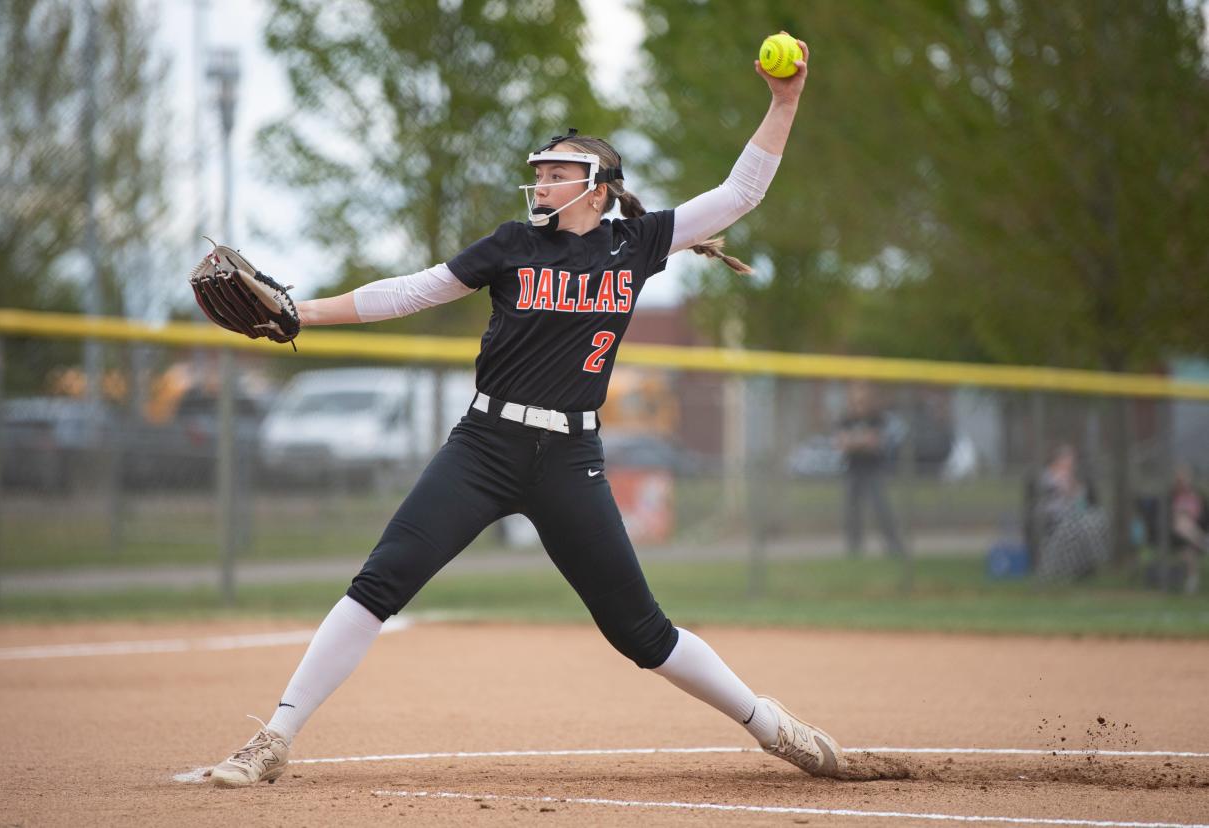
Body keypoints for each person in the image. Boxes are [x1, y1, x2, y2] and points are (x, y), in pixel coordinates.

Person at [210, 38, 844, 787]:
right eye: (539, 173)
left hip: (570, 463)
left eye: (559, 174)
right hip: (483, 447)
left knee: (641, 633)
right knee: (380, 583)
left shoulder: (636, 244)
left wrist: (785, 101)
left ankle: (771, 726)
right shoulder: (511, 246)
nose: (541, 183)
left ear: (599, 187)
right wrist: (302, 311)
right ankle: (273, 739)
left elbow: (739, 195)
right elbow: (410, 291)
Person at [834, 381, 904, 559]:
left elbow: (875, 442)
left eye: (863, 396)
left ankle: (893, 546)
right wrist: (861, 441)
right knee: (852, 511)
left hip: (873, 469)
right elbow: (841, 443)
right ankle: (854, 550)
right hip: (853, 469)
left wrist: (855, 441)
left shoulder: (876, 418)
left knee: (882, 508)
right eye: (856, 396)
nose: (860, 400)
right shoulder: (846, 419)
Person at [1033, 443, 1107, 581]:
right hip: (1054, 517)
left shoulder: (1071, 477)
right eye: (1068, 459)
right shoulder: (1048, 476)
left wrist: (1073, 483)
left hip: (1074, 516)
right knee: (1083, 527)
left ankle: (1088, 564)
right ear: (1058, 460)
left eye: (1072, 460)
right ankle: (1073, 567)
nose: (1071, 463)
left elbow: (1081, 500)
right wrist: (1067, 483)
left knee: (1097, 520)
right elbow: (1057, 497)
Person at [1170, 464, 1208, 594]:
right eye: (1180, 480)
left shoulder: (1195, 496)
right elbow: (1173, 516)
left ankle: (1192, 581)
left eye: (1184, 479)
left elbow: (1198, 515)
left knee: (1189, 552)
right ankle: (1204, 542)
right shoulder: (1173, 495)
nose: (1182, 482)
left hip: (1191, 534)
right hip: (1176, 534)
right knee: (1182, 522)